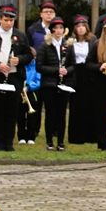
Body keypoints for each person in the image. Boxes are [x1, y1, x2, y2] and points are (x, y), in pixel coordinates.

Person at [0, 4, 33, 152]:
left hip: (14, 77)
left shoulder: (20, 36)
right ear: (0, 19)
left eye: (11, 20)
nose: (9, 23)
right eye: (6, 20)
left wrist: (19, 60)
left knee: (12, 110)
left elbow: (29, 54)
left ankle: (9, 142)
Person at [37, 17, 75, 151]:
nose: (59, 31)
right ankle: (49, 141)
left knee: (62, 114)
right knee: (50, 113)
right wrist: (56, 70)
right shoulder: (45, 46)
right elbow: (39, 66)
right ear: (52, 30)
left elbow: (73, 65)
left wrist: (67, 71)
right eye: (56, 28)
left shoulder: (68, 46)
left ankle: (60, 142)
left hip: (64, 84)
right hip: (49, 84)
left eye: (61, 28)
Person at [85, 16, 106, 151]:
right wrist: (99, 67)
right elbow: (88, 63)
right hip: (101, 84)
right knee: (101, 114)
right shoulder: (97, 44)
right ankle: (103, 143)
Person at [67, 14, 97, 145]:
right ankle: (76, 136)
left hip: (89, 74)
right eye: (78, 26)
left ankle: (90, 135)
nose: (80, 28)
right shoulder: (70, 42)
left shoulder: (93, 41)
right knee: (76, 105)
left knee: (90, 103)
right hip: (76, 74)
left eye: (83, 26)